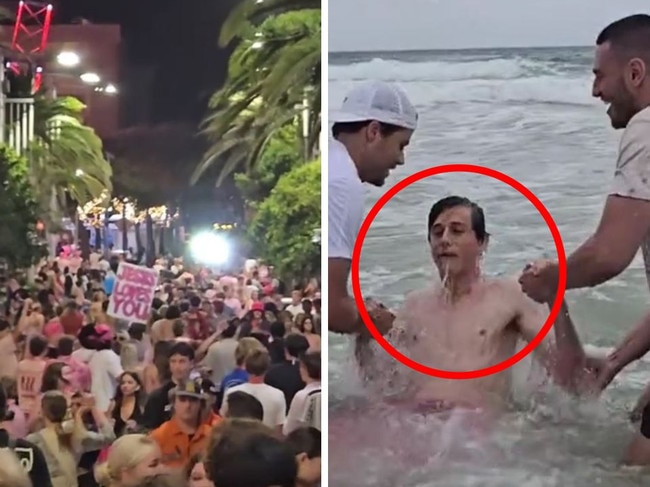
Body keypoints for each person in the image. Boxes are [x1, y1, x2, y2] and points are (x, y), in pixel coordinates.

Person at [517, 14, 650, 465]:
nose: (595, 91)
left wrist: (551, 280)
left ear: (636, 73)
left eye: (599, 76)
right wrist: (615, 361)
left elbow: (608, 255)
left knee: (631, 468)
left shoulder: (647, 127)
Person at [354, 196, 592, 414]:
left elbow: (571, 378)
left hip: (475, 430)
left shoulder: (509, 297)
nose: (445, 240)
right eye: (437, 233)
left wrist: (555, 297)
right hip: (416, 422)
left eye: (456, 231)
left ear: (482, 242)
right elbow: (381, 386)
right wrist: (365, 336)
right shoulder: (414, 305)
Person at [328, 81, 418, 335]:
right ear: (373, 132)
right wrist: (379, 321)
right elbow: (334, 311)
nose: (401, 159)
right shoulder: (343, 183)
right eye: (401, 145)